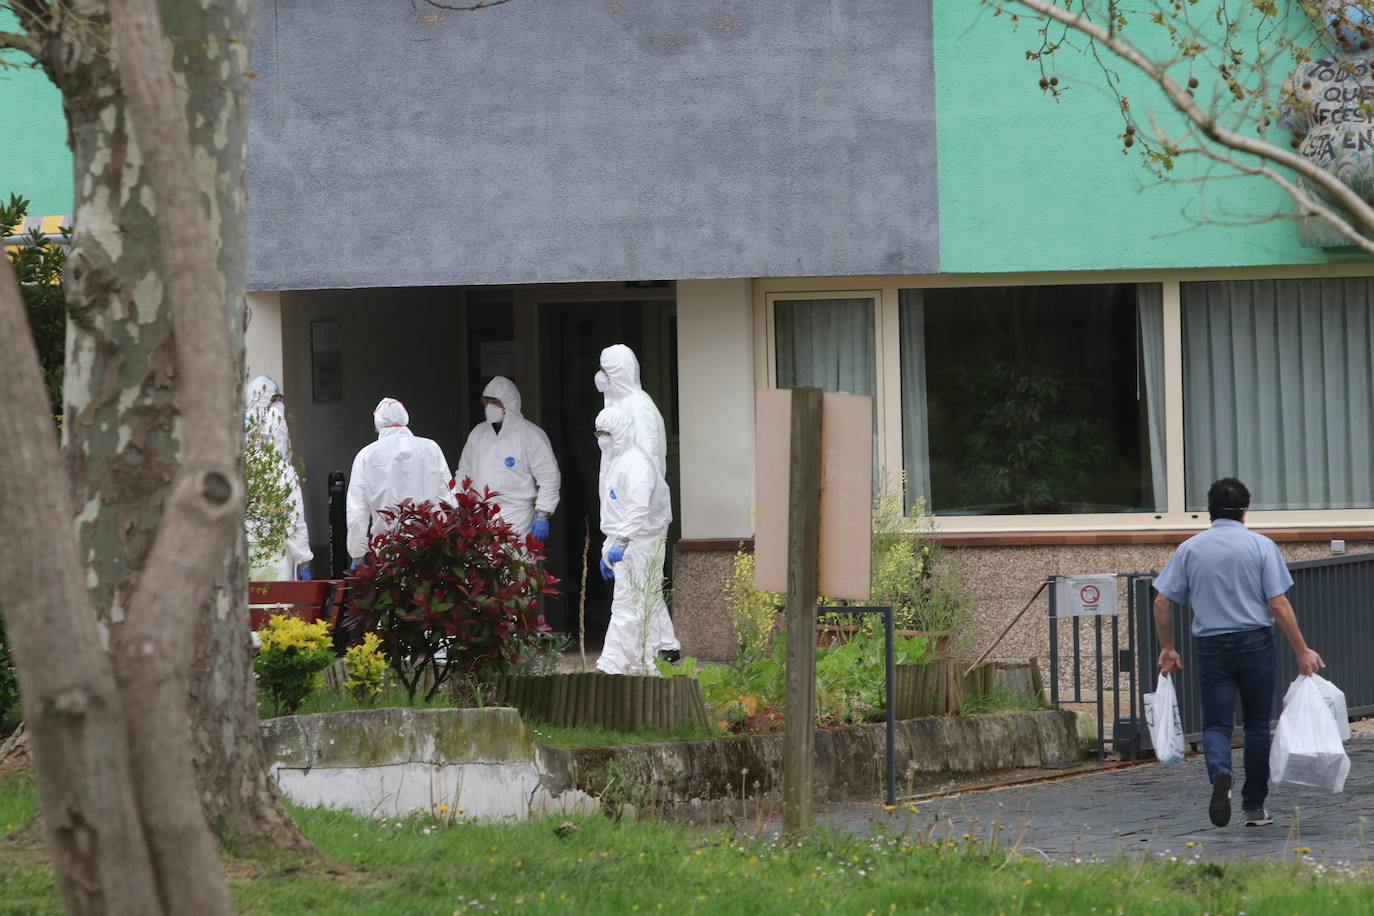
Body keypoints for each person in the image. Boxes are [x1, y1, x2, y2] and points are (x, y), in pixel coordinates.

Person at [1152, 477, 1324, 829]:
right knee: (1258, 726)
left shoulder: (1190, 549)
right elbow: (1277, 603)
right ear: (1245, 510)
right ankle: (1254, 807)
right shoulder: (1261, 546)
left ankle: (1220, 772)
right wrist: (1301, 649)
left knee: (1216, 723)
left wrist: (1168, 647)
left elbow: (1161, 600)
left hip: (1212, 646)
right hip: (1254, 644)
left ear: (1209, 511)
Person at [595, 343, 680, 659]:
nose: (600, 377)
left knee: (636, 590)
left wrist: (627, 530)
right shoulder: (620, 405)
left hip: (640, 520)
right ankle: (664, 646)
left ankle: (627, 658)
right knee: (642, 586)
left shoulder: (639, 408)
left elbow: (645, 473)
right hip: (624, 517)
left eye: (605, 370)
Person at [345, 397, 454, 564]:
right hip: (430, 545)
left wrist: (357, 553)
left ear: (377, 421)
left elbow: (357, 510)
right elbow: (448, 497)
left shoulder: (366, 455)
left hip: (387, 547)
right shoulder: (431, 448)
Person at [454, 376, 560, 542]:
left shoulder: (530, 435)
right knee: (482, 566)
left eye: (495, 402)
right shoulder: (478, 433)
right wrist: (459, 502)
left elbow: (549, 477)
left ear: (508, 404)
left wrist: (542, 514)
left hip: (517, 517)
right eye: (486, 401)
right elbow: (463, 471)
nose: (489, 407)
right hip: (479, 516)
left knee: (514, 564)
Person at [244, 375, 312, 580]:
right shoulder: (282, 471)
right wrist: (303, 560)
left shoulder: (236, 469)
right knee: (277, 611)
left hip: (242, 559)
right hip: (277, 560)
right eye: (276, 399)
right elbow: (295, 517)